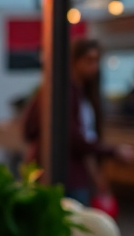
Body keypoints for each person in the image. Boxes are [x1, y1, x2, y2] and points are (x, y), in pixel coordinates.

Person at [22, 36, 134, 201]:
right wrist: (113, 151)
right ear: (74, 61)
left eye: (96, 61)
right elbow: (73, 138)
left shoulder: (81, 92)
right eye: (89, 60)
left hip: (74, 174)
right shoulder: (61, 91)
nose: (94, 66)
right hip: (62, 176)